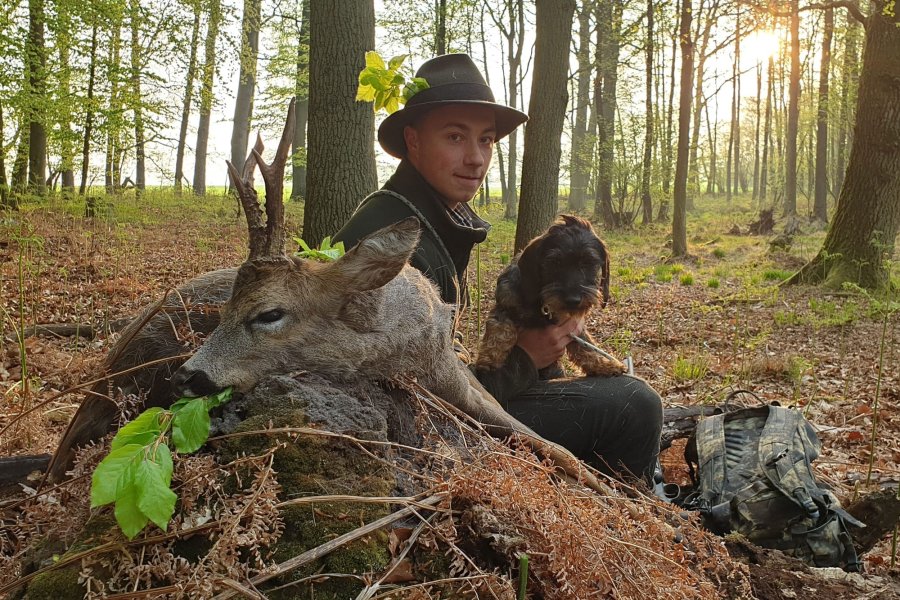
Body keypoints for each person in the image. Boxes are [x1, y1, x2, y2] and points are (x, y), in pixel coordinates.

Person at [334, 54, 663, 482]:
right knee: (635, 403)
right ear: (413, 141)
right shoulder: (396, 238)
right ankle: (627, 521)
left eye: (486, 141)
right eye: (455, 137)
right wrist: (527, 357)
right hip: (419, 440)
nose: (475, 158)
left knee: (614, 392)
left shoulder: (426, 217)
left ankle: (583, 498)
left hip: (432, 417)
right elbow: (426, 401)